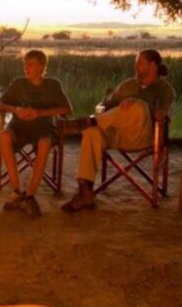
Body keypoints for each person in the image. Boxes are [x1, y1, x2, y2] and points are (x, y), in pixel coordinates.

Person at [62, 49, 175, 213]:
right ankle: (85, 190)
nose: (135, 66)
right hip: (115, 134)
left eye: (140, 62)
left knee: (137, 106)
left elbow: (161, 116)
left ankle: (83, 123)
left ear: (153, 65)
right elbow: (104, 106)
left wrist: (137, 104)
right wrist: (116, 108)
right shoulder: (128, 84)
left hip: (141, 136)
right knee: (91, 132)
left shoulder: (165, 90)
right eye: (136, 62)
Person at [0, 49, 73, 216]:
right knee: (4, 135)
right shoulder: (18, 83)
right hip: (19, 127)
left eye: (30, 64)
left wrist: (39, 113)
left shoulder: (52, 85)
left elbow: (67, 109)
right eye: (25, 64)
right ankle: (16, 191)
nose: (26, 68)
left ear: (41, 67)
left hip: (43, 128)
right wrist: (16, 109)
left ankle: (30, 196)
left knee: (44, 143)